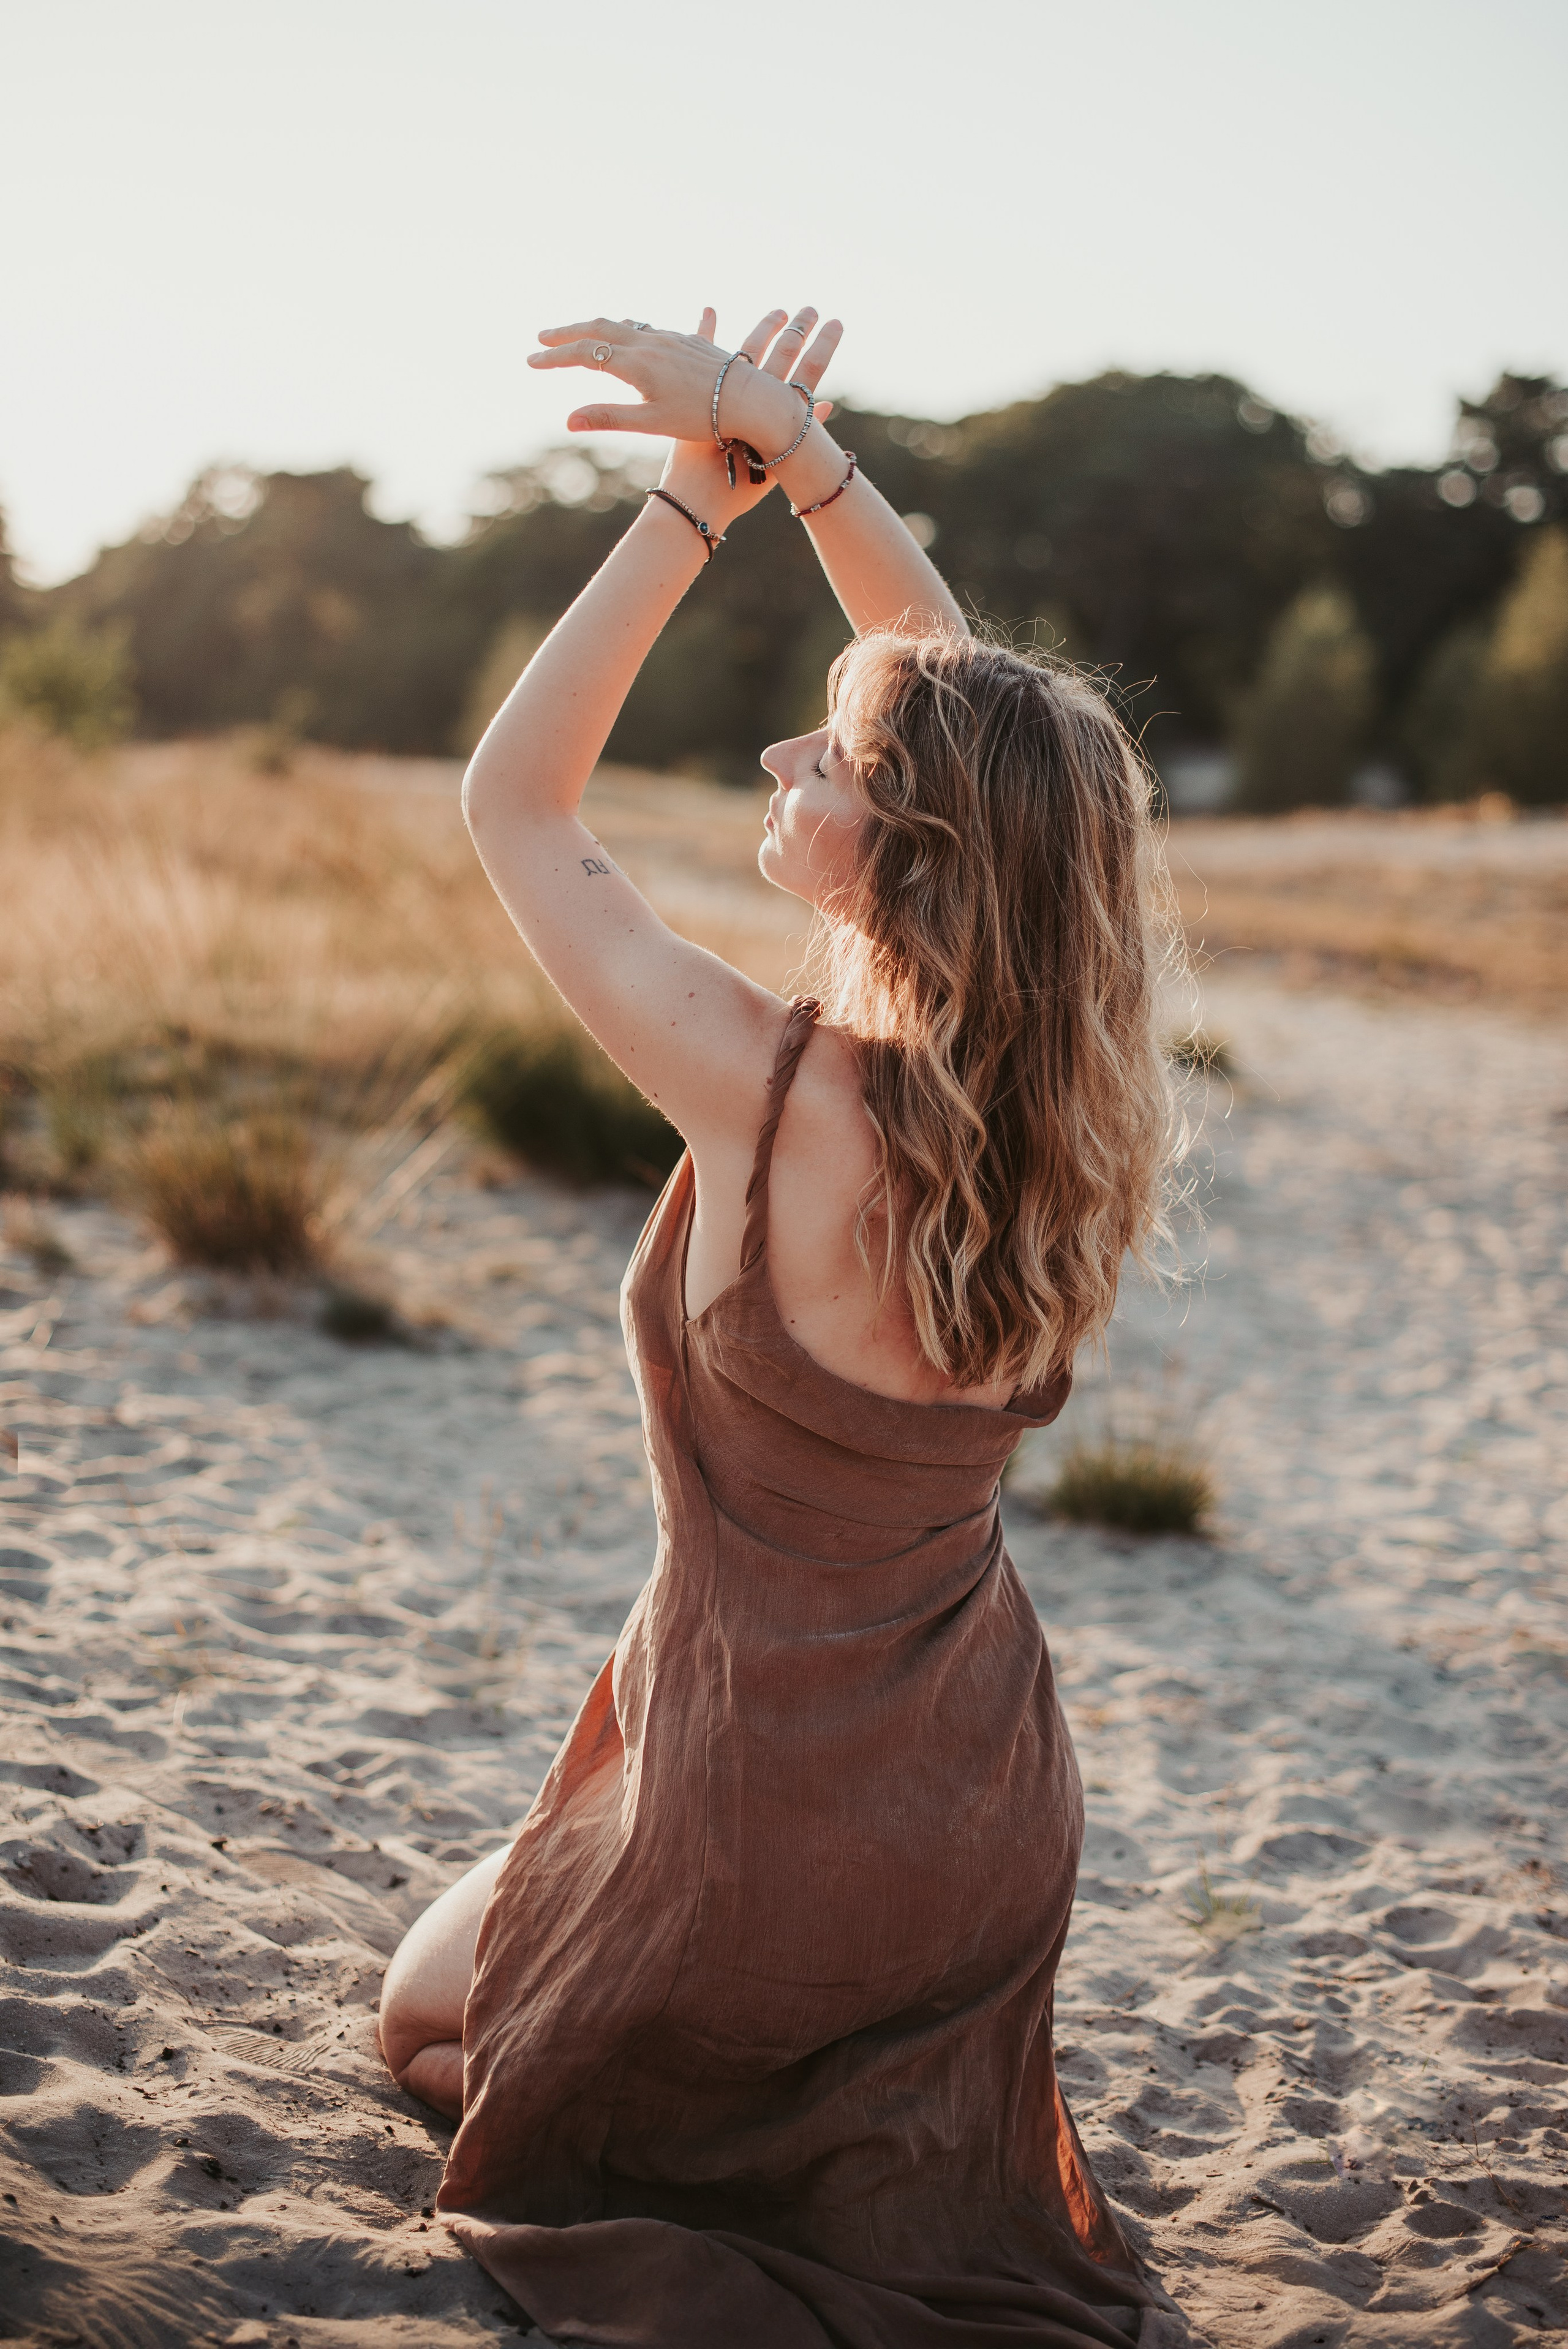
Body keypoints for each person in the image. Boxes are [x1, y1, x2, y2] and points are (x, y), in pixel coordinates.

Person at [377, 307, 1182, 2348]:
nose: (782, 760)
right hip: (982, 1838)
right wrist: (807, 463)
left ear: (907, 852)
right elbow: (999, 744)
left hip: (760, 1826)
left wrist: (689, 505)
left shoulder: (771, 1089)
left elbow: (517, 803)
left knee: (423, 2018)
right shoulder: (1067, 1124)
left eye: (825, 762)